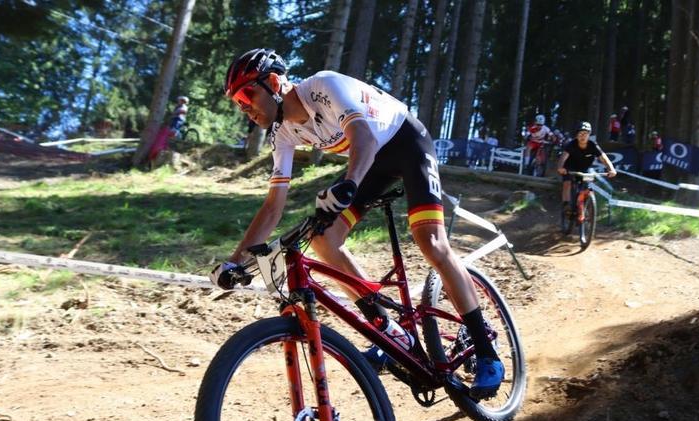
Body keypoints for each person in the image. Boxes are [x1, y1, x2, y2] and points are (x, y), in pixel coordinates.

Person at [210, 48, 504, 399]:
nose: (245, 108)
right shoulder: (283, 134)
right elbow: (273, 206)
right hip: (372, 161)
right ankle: (389, 329)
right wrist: (236, 261)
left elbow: (362, 136)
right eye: (237, 103)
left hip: (407, 143)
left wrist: (348, 183)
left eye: (247, 95)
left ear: (273, 83)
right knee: (323, 239)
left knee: (431, 242)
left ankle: (486, 349)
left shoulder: (323, 86)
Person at [556, 121, 617, 210]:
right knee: (567, 183)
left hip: (585, 169)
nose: (583, 136)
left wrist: (611, 169)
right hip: (570, 168)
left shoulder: (593, 145)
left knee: (588, 185)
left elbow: (604, 158)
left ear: (589, 135)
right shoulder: (571, 144)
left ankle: (585, 205)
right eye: (580, 133)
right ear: (576, 135)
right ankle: (566, 205)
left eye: (585, 133)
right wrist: (560, 167)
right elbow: (563, 157)